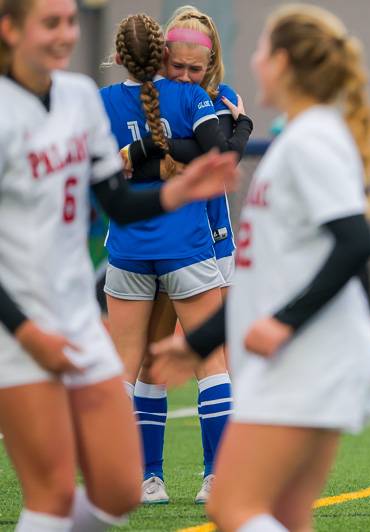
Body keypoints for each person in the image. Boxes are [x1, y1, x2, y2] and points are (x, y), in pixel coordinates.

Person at [0, 0, 238, 529]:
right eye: (50, 22)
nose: (65, 34)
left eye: (69, 22)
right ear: (10, 30)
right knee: (50, 492)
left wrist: (177, 195)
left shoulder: (83, 98)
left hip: (78, 317)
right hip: (22, 323)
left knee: (114, 489)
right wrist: (22, 329)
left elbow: (121, 202)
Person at [151, 4, 370, 531]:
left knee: (232, 506)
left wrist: (284, 322)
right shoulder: (298, 137)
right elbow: (259, 283)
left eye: (260, 49)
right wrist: (194, 343)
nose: (252, 61)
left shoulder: (312, 139)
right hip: (310, 360)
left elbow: (355, 242)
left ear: (281, 62)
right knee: (285, 515)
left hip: (313, 362)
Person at [98, 12, 243, 505]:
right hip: (188, 244)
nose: (185, 74)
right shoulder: (195, 100)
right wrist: (239, 127)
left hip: (135, 247)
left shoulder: (103, 102)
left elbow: (103, 168)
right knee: (205, 362)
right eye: (177, 65)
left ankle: (135, 478)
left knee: (132, 366)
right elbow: (219, 153)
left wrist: (137, 151)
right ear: (161, 56)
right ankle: (211, 478)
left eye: (194, 68)